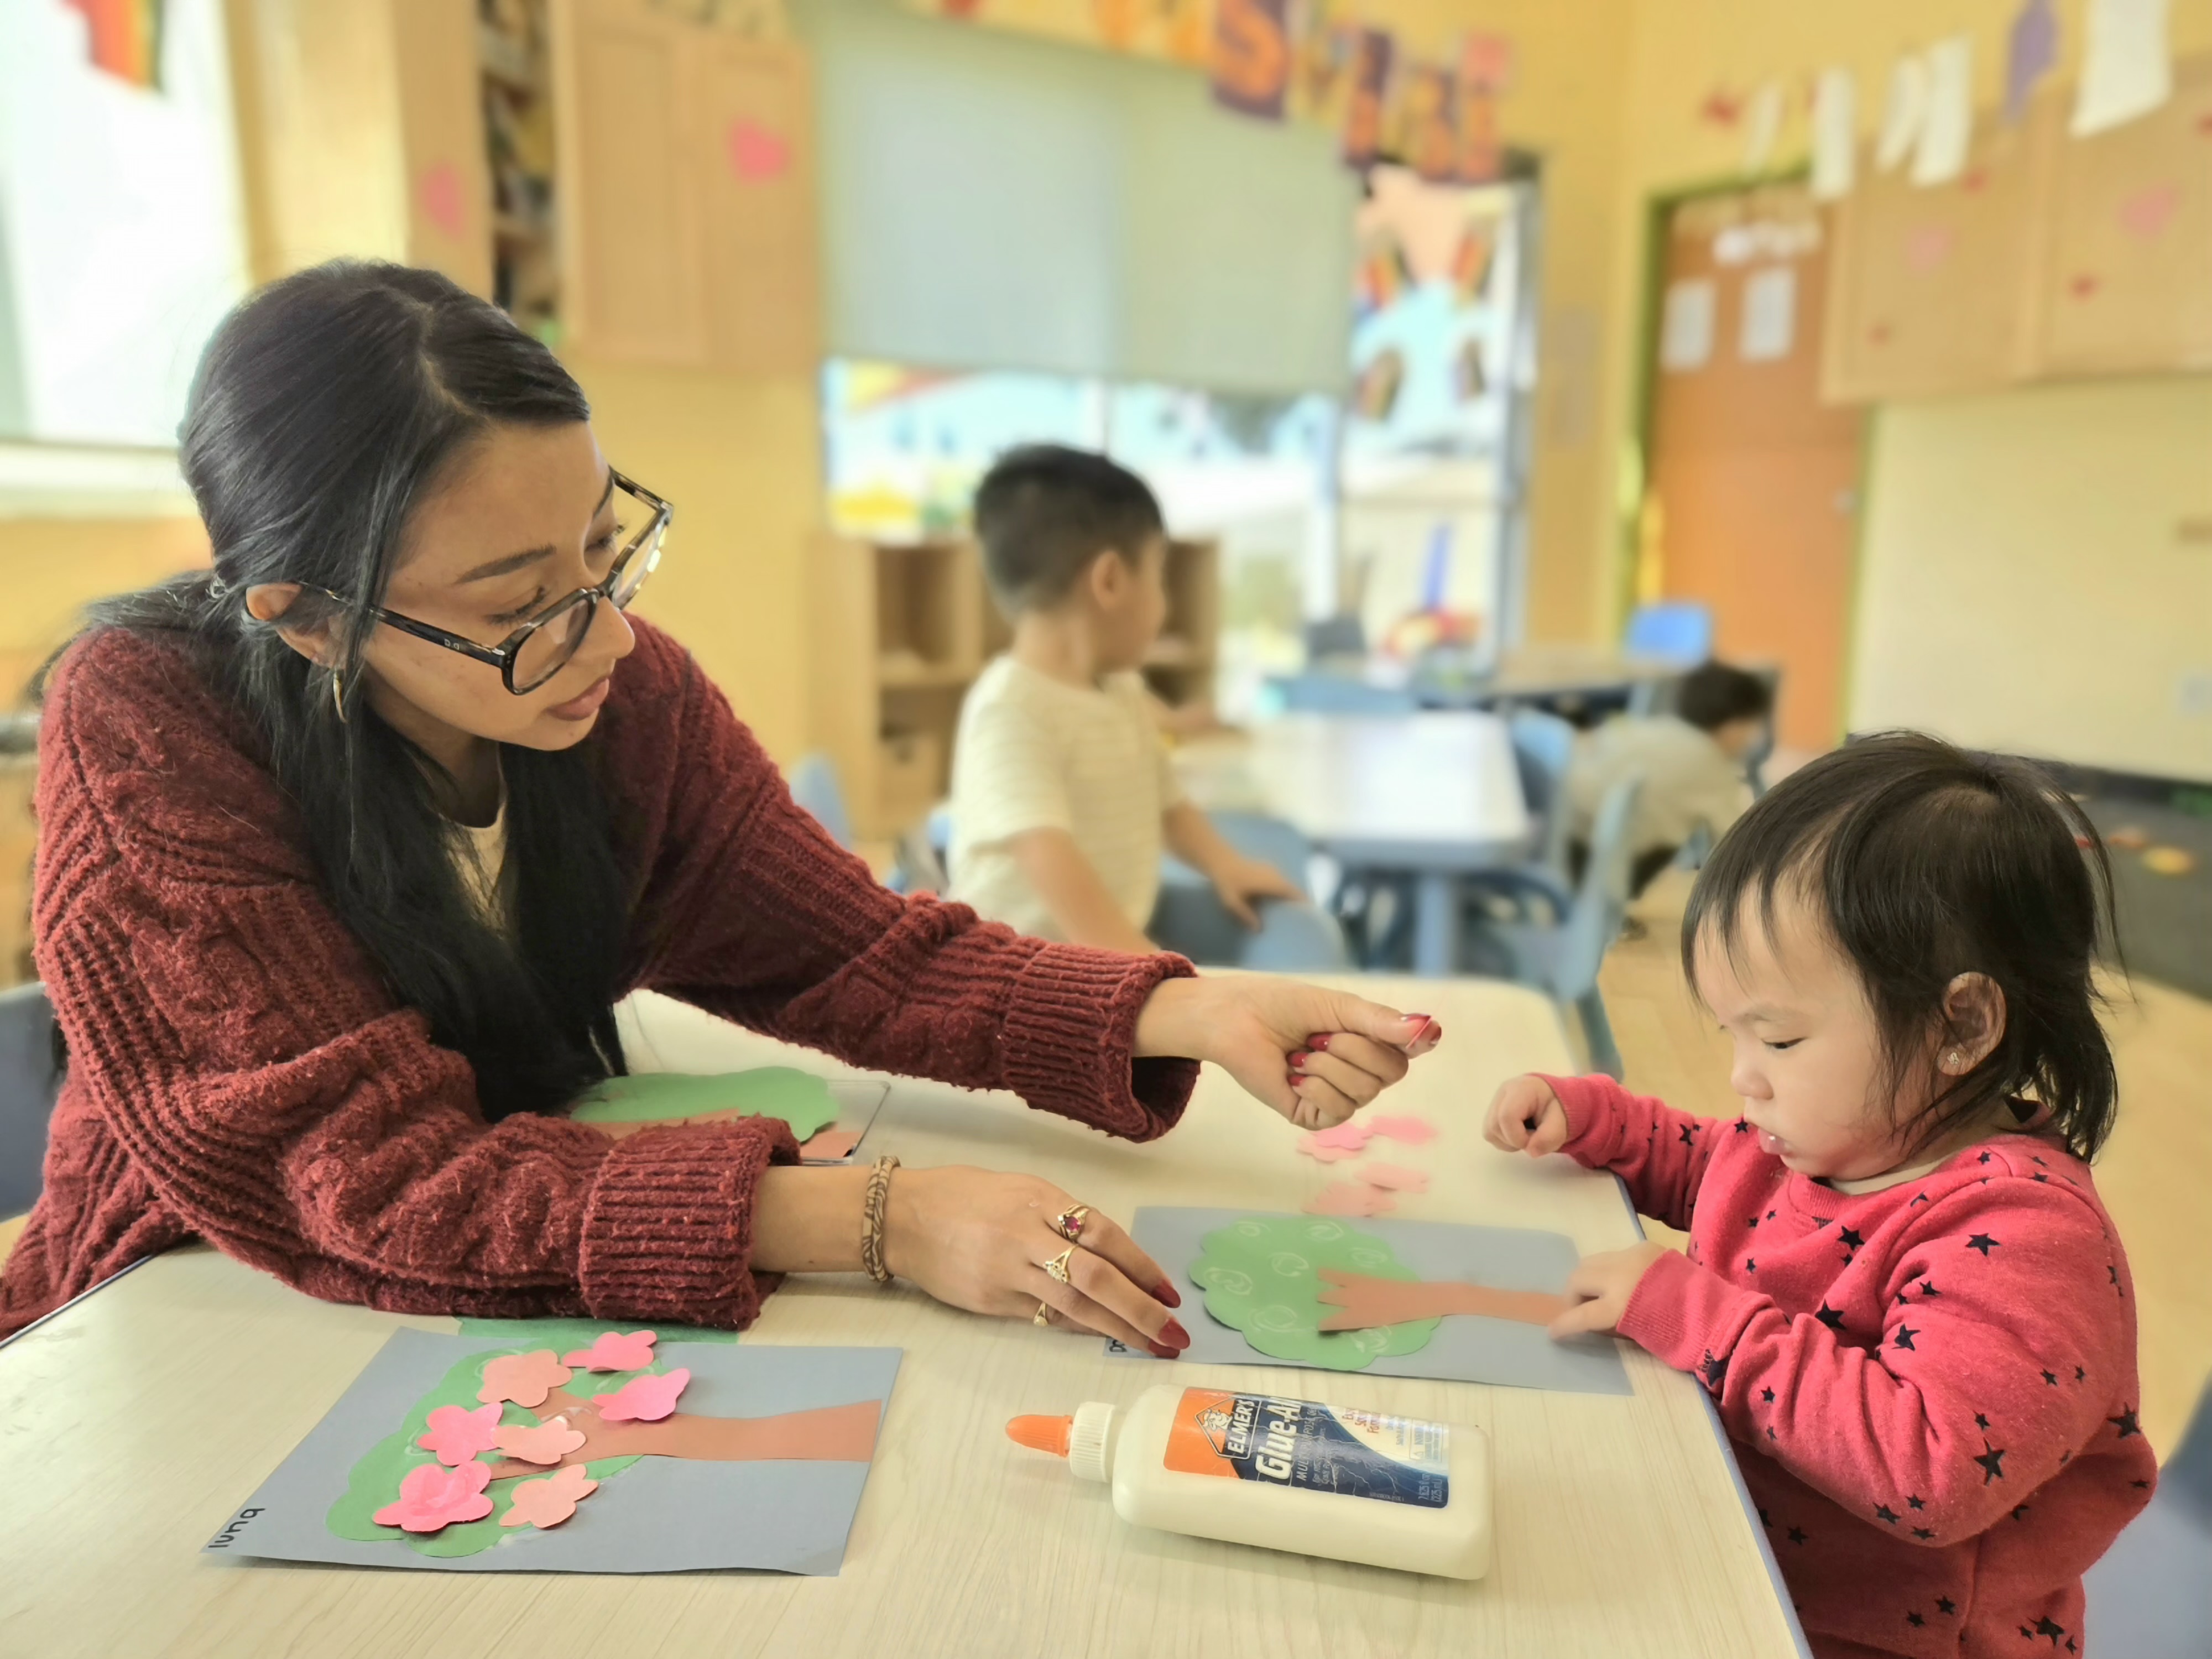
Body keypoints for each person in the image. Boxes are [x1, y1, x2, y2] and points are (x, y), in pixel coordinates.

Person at [0, 263, 1444, 1346]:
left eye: (601, 547)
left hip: (497, 1286)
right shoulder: (145, 730)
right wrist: (882, 1220)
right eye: (521, 604)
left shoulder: (617, 700)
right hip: (197, 1311)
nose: (612, 639)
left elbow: (854, 953)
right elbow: (366, 1178)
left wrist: (1186, 1010)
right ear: (310, 620)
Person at [1483, 733, 2154, 1659]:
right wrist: (1597, 1121)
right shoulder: (1844, 1137)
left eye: (1780, 1042)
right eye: (1733, 1036)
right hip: (1747, 1560)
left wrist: (1708, 1322)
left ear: (1962, 1024)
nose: (1743, 1079)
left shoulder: (2026, 1239)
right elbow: (1716, 1169)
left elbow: (1933, 1467)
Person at [946, 445, 1305, 958]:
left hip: (1102, 961)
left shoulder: (1122, 690)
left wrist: (1226, 865)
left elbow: (1168, 801)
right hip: (1016, 978)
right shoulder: (1011, 711)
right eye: (1159, 575)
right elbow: (1050, 859)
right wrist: (1146, 969)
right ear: (1110, 580)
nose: (1166, 602)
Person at [1565, 660, 1772, 899]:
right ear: (1733, 726)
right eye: (1752, 727)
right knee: (1671, 840)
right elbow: (1736, 846)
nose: (1753, 738)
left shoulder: (1648, 728)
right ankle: (1613, 907)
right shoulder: (1713, 766)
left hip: (1564, 836)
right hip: (1604, 862)